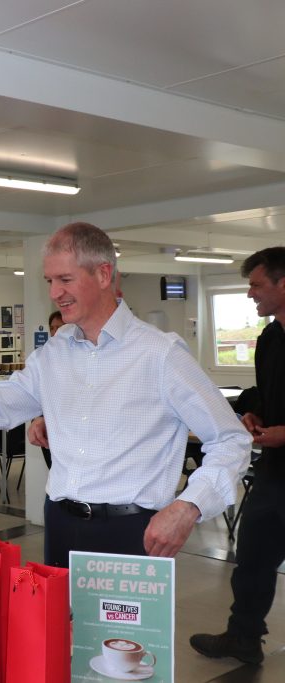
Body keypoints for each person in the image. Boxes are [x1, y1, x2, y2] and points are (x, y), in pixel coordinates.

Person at [0, 222, 250, 568]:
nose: (55, 293)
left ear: (103, 274)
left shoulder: (160, 354)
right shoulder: (53, 355)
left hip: (133, 531)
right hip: (61, 525)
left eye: (65, 279)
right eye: (49, 281)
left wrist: (188, 506)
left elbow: (231, 439)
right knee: (59, 609)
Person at [190, 247, 285, 665]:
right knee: (252, 558)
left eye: (256, 285)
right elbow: (269, 392)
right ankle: (243, 637)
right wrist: (254, 413)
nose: (250, 294)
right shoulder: (269, 338)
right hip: (275, 472)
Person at [28, 310, 66, 469]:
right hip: (46, 426)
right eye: (52, 328)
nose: (55, 332)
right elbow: (37, 394)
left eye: (60, 327)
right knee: (54, 470)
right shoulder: (43, 357)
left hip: (67, 428)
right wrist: (39, 418)